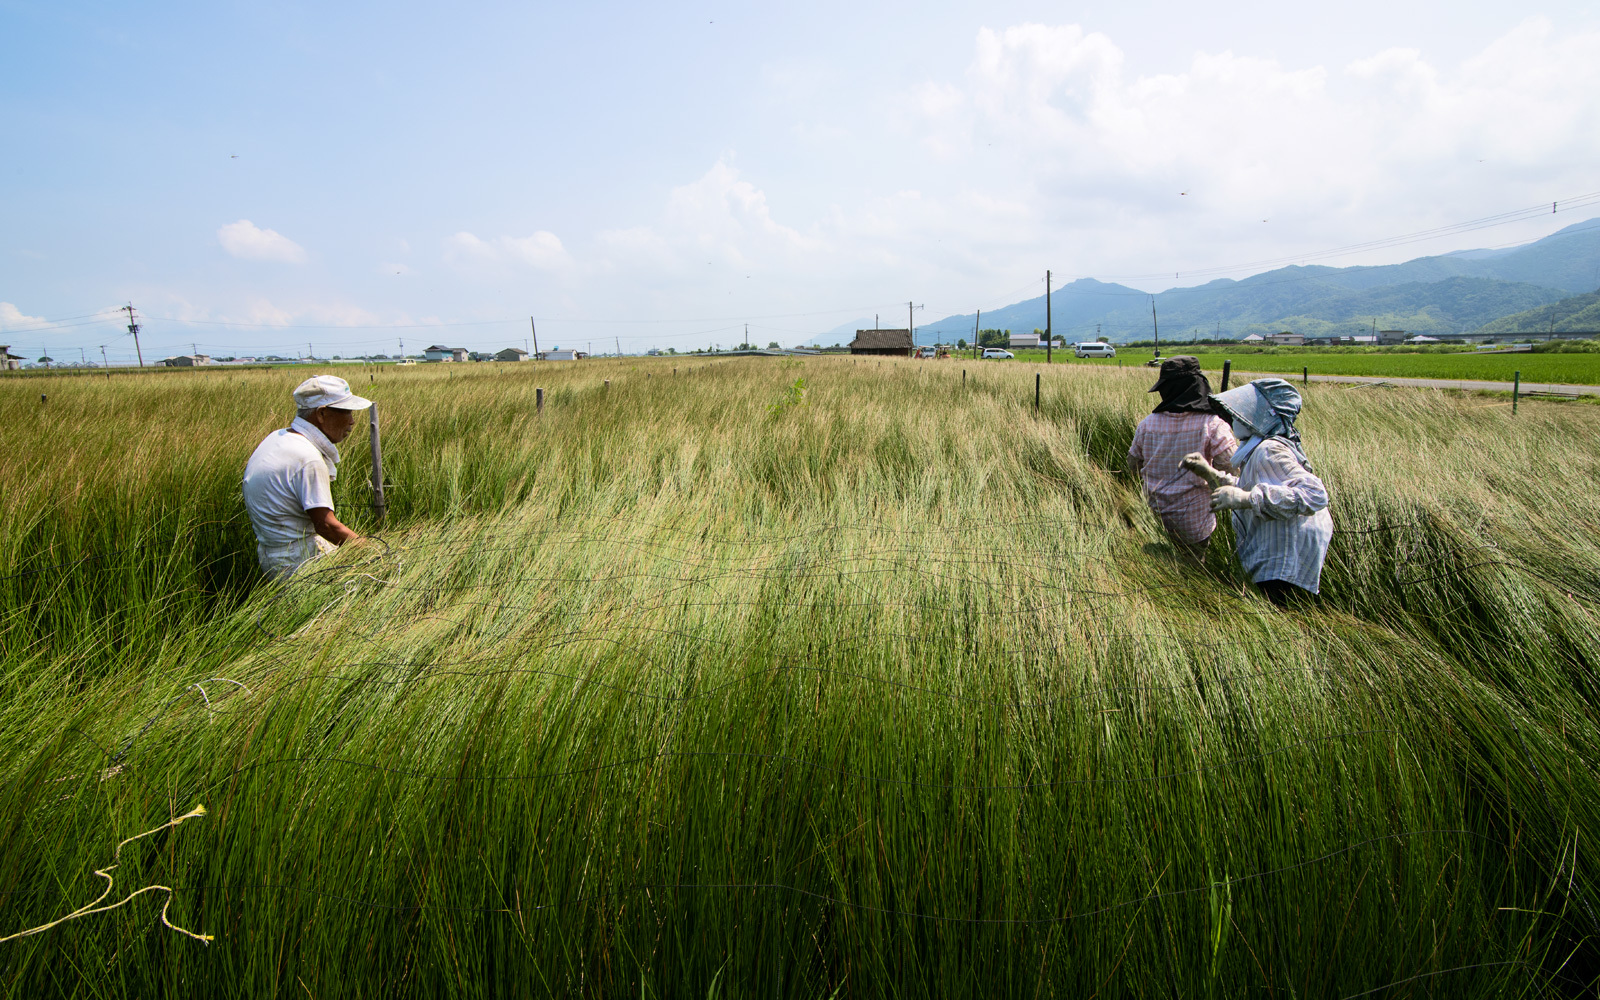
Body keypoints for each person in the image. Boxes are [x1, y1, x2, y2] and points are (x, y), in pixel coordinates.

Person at [1183, 378, 1332, 606]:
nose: (1234, 419)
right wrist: (1209, 473)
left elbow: (1315, 494)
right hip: (1278, 551)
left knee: (1276, 615)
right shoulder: (1257, 448)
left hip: (1284, 557)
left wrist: (1245, 499)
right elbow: (1248, 484)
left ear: (1264, 416)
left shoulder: (1269, 448)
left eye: (1243, 413)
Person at [242, 375, 373, 579]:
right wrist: (371, 551)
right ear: (321, 414)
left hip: (272, 553)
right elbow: (326, 525)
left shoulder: (278, 438)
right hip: (299, 559)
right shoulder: (307, 458)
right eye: (346, 411)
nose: (352, 421)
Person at [1126, 356, 1236, 561]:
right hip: (1195, 522)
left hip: (1153, 518)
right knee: (1192, 572)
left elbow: (1132, 466)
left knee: (1156, 572)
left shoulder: (1147, 424)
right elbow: (1232, 468)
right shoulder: (1213, 424)